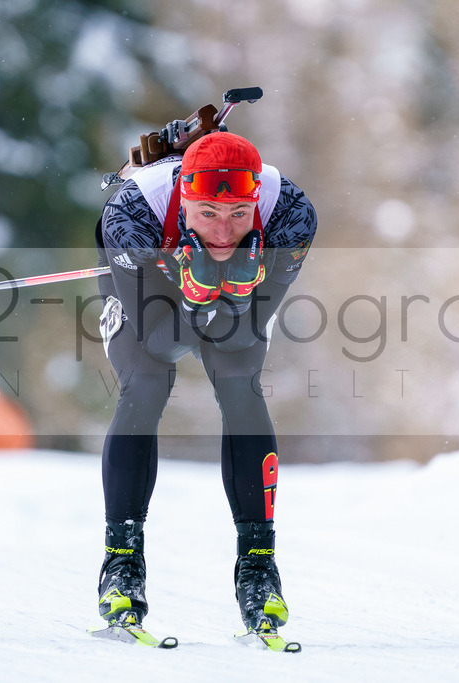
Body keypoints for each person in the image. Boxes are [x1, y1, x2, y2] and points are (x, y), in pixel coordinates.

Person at [93, 131, 317, 634]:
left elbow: (239, 339)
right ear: (184, 203)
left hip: (234, 288)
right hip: (148, 276)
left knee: (239, 383)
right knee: (146, 381)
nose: (223, 230)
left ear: (257, 199)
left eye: (239, 213)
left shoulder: (290, 217)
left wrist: (234, 296)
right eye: (208, 214)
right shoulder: (132, 214)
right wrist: (194, 298)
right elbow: (157, 343)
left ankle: (259, 569)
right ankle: (121, 565)